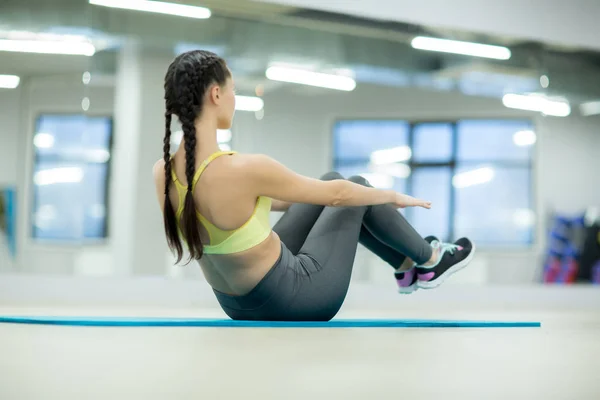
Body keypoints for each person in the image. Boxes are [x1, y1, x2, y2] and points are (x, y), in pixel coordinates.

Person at [153, 50, 475, 321]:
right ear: (216, 94)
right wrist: (391, 195)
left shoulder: (163, 174)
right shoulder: (244, 168)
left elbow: (280, 204)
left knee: (332, 182)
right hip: (297, 297)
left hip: (234, 305)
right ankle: (430, 259)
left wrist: (331, 196)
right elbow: (339, 197)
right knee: (354, 187)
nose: (235, 98)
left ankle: (406, 266)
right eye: (234, 89)